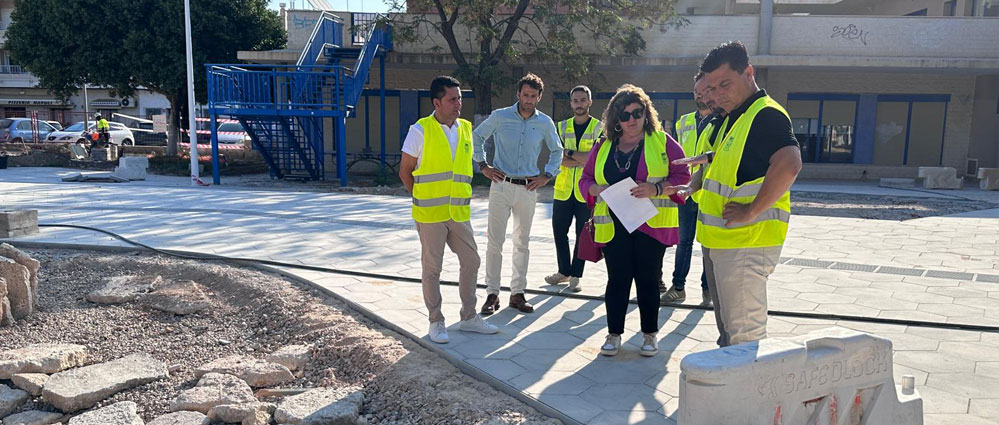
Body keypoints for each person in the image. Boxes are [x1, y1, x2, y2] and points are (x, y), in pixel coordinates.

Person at [674, 41, 802, 347]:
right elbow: (731, 163)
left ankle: (749, 393)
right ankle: (732, 389)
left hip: (746, 243)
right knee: (730, 335)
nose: (718, 95)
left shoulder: (765, 114)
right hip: (723, 241)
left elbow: (790, 163)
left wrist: (752, 211)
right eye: (712, 89)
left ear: (748, 73)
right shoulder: (735, 117)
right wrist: (698, 176)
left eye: (725, 84)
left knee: (745, 338)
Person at [579, 84, 689, 357]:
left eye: (637, 113)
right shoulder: (603, 145)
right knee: (617, 279)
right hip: (613, 223)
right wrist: (596, 190)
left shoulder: (662, 142)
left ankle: (649, 335)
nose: (631, 120)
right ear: (615, 118)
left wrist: (656, 189)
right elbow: (585, 180)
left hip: (650, 224)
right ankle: (613, 333)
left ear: (646, 113)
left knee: (648, 279)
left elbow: (684, 176)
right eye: (624, 115)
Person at [399, 76, 499, 344]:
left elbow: (471, 165)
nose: (458, 104)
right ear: (437, 102)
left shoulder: (465, 129)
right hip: (430, 215)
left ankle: (468, 317)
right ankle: (436, 321)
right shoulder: (420, 130)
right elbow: (405, 171)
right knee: (433, 269)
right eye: (452, 99)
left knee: (472, 261)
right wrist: (421, 197)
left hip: (458, 214)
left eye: (460, 98)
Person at [473, 73, 563, 315]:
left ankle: (517, 293)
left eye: (534, 96)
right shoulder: (500, 116)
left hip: (527, 188)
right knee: (495, 241)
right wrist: (483, 165)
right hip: (501, 185)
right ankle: (492, 293)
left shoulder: (544, 122)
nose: (529, 100)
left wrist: (547, 175)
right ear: (518, 94)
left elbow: (557, 151)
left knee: (522, 242)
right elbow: (477, 136)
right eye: (525, 95)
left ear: (539, 97)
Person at [662, 73, 714, 306]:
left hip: (709, 192)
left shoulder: (721, 122)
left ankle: (708, 289)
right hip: (685, 192)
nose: (700, 96)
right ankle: (678, 287)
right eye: (696, 92)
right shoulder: (683, 122)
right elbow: (672, 155)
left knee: (708, 244)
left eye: (704, 91)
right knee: (684, 242)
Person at [546, 85, 603, 293]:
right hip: (562, 190)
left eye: (582, 100)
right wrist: (581, 158)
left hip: (585, 191)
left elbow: (595, 160)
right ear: (571, 103)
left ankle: (576, 275)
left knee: (582, 233)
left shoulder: (599, 128)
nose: (579, 104)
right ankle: (564, 271)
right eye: (575, 101)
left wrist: (570, 153)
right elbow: (558, 158)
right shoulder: (560, 127)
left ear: (590, 102)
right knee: (559, 232)